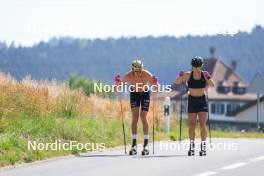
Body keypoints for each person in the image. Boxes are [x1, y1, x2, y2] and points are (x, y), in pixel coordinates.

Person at [115, 60, 158, 155]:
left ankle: (146, 145)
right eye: (137, 71)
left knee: (143, 116)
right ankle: (134, 145)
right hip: (134, 94)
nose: (139, 73)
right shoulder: (128, 75)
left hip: (145, 94)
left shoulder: (147, 74)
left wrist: (155, 82)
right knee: (135, 117)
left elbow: (156, 88)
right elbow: (117, 89)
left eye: (140, 70)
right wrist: (117, 83)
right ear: (133, 70)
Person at [175, 56, 214, 156]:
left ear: (201, 66)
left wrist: (208, 77)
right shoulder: (188, 75)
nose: (196, 68)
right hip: (192, 100)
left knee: (202, 124)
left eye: (198, 66)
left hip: (202, 100)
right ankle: (192, 147)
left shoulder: (204, 74)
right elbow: (177, 82)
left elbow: (212, 84)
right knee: (192, 124)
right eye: (195, 66)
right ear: (192, 66)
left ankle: (203, 147)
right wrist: (180, 76)